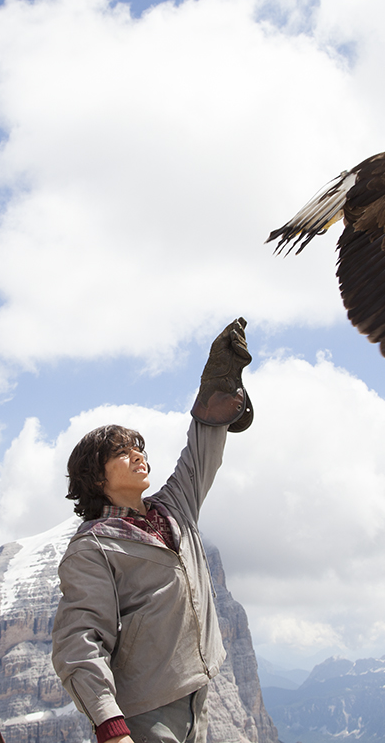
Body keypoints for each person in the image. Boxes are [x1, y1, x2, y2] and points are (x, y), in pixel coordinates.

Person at [51, 318, 254, 743]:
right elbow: (80, 640)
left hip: (199, 693)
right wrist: (110, 725)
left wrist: (218, 384)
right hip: (144, 713)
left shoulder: (174, 507)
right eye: (121, 452)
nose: (137, 455)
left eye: (138, 447)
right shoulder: (92, 548)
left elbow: (202, 448)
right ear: (95, 475)